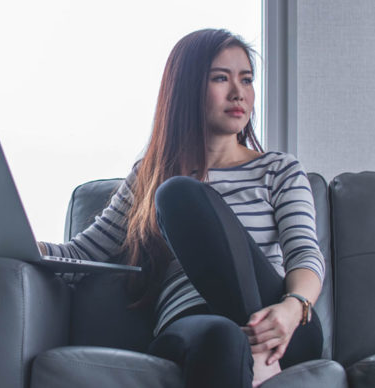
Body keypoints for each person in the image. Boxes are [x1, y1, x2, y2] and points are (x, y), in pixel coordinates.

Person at [38, 28, 324, 388]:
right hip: (193, 322)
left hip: (284, 325)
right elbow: (80, 255)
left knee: (178, 194)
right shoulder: (150, 175)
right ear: (186, 88)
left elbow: (304, 255)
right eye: (221, 78)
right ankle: (252, 356)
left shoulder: (279, 169)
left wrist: (292, 307)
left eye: (247, 79)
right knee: (222, 333)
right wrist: (18, 243)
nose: (239, 93)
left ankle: (256, 346)